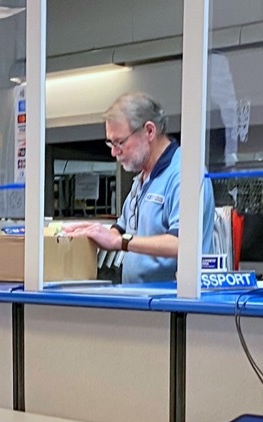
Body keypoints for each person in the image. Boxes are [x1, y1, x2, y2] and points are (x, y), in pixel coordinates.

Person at [65, 92, 216, 283]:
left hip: (173, 301)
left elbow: (183, 243)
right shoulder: (142, 179)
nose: (114, 152)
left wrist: (120, 242)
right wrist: (94, 231)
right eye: (110, 143)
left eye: (120, 142)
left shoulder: (186, 172)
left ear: (150, 131)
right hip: (139, 299)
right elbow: (121, 230)